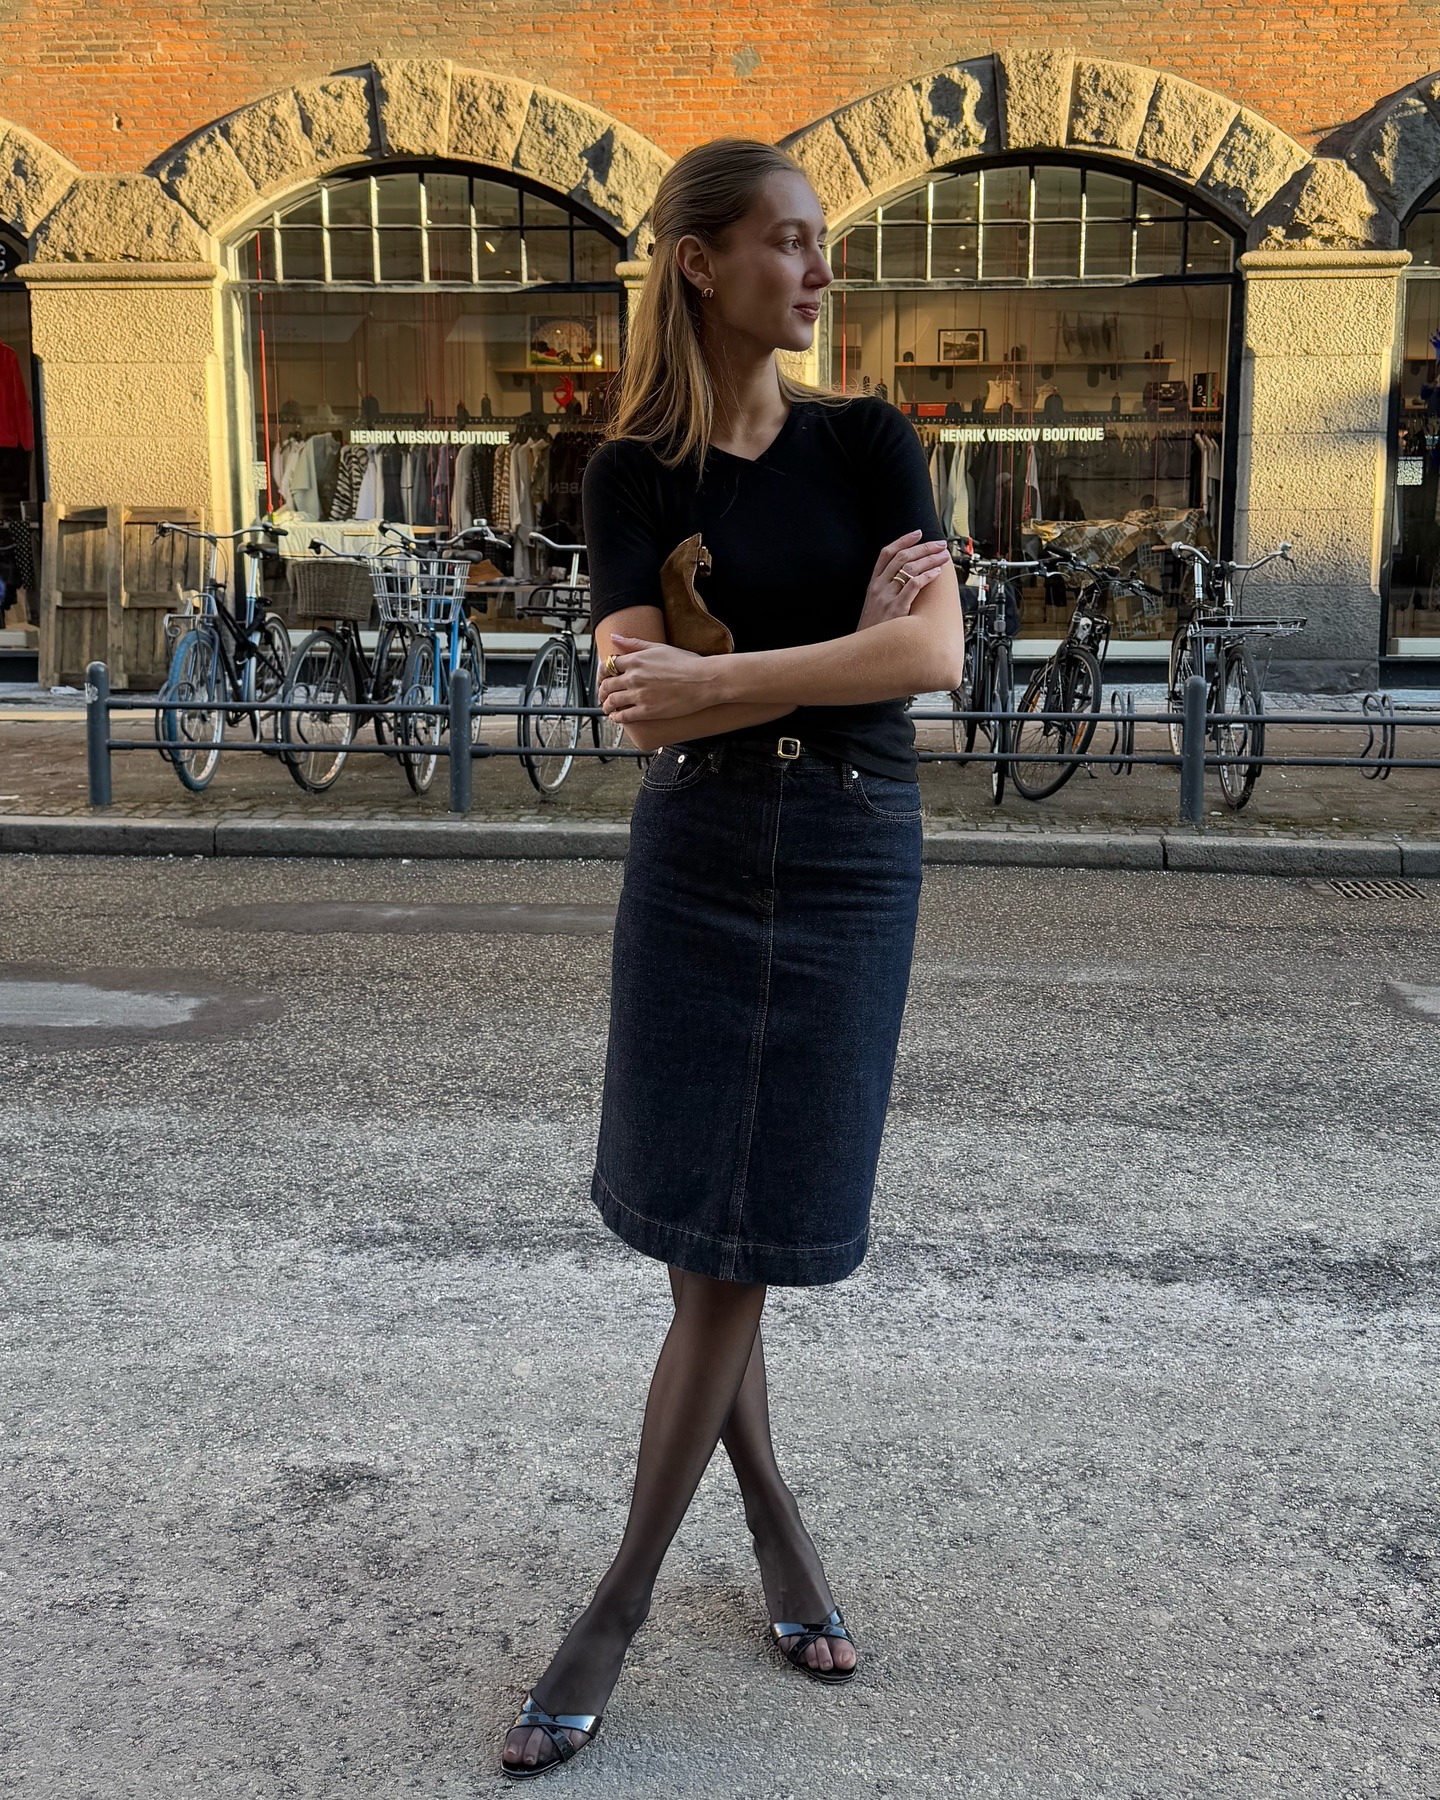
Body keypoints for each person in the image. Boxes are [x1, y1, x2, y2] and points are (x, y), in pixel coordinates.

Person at [500, 136, 966, 1780]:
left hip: (847, 854)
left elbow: (935, 655)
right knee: (713, 1243)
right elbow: (640, 708)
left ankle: (619, 1601)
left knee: (746, 1240)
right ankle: (766, 1526)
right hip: (698, 858)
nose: (820, 268)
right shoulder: (631, 469)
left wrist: (724, 678)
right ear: (700, 262)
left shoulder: (869, 439)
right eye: (787, 239)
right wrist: (827, 654)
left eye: (822, 241)